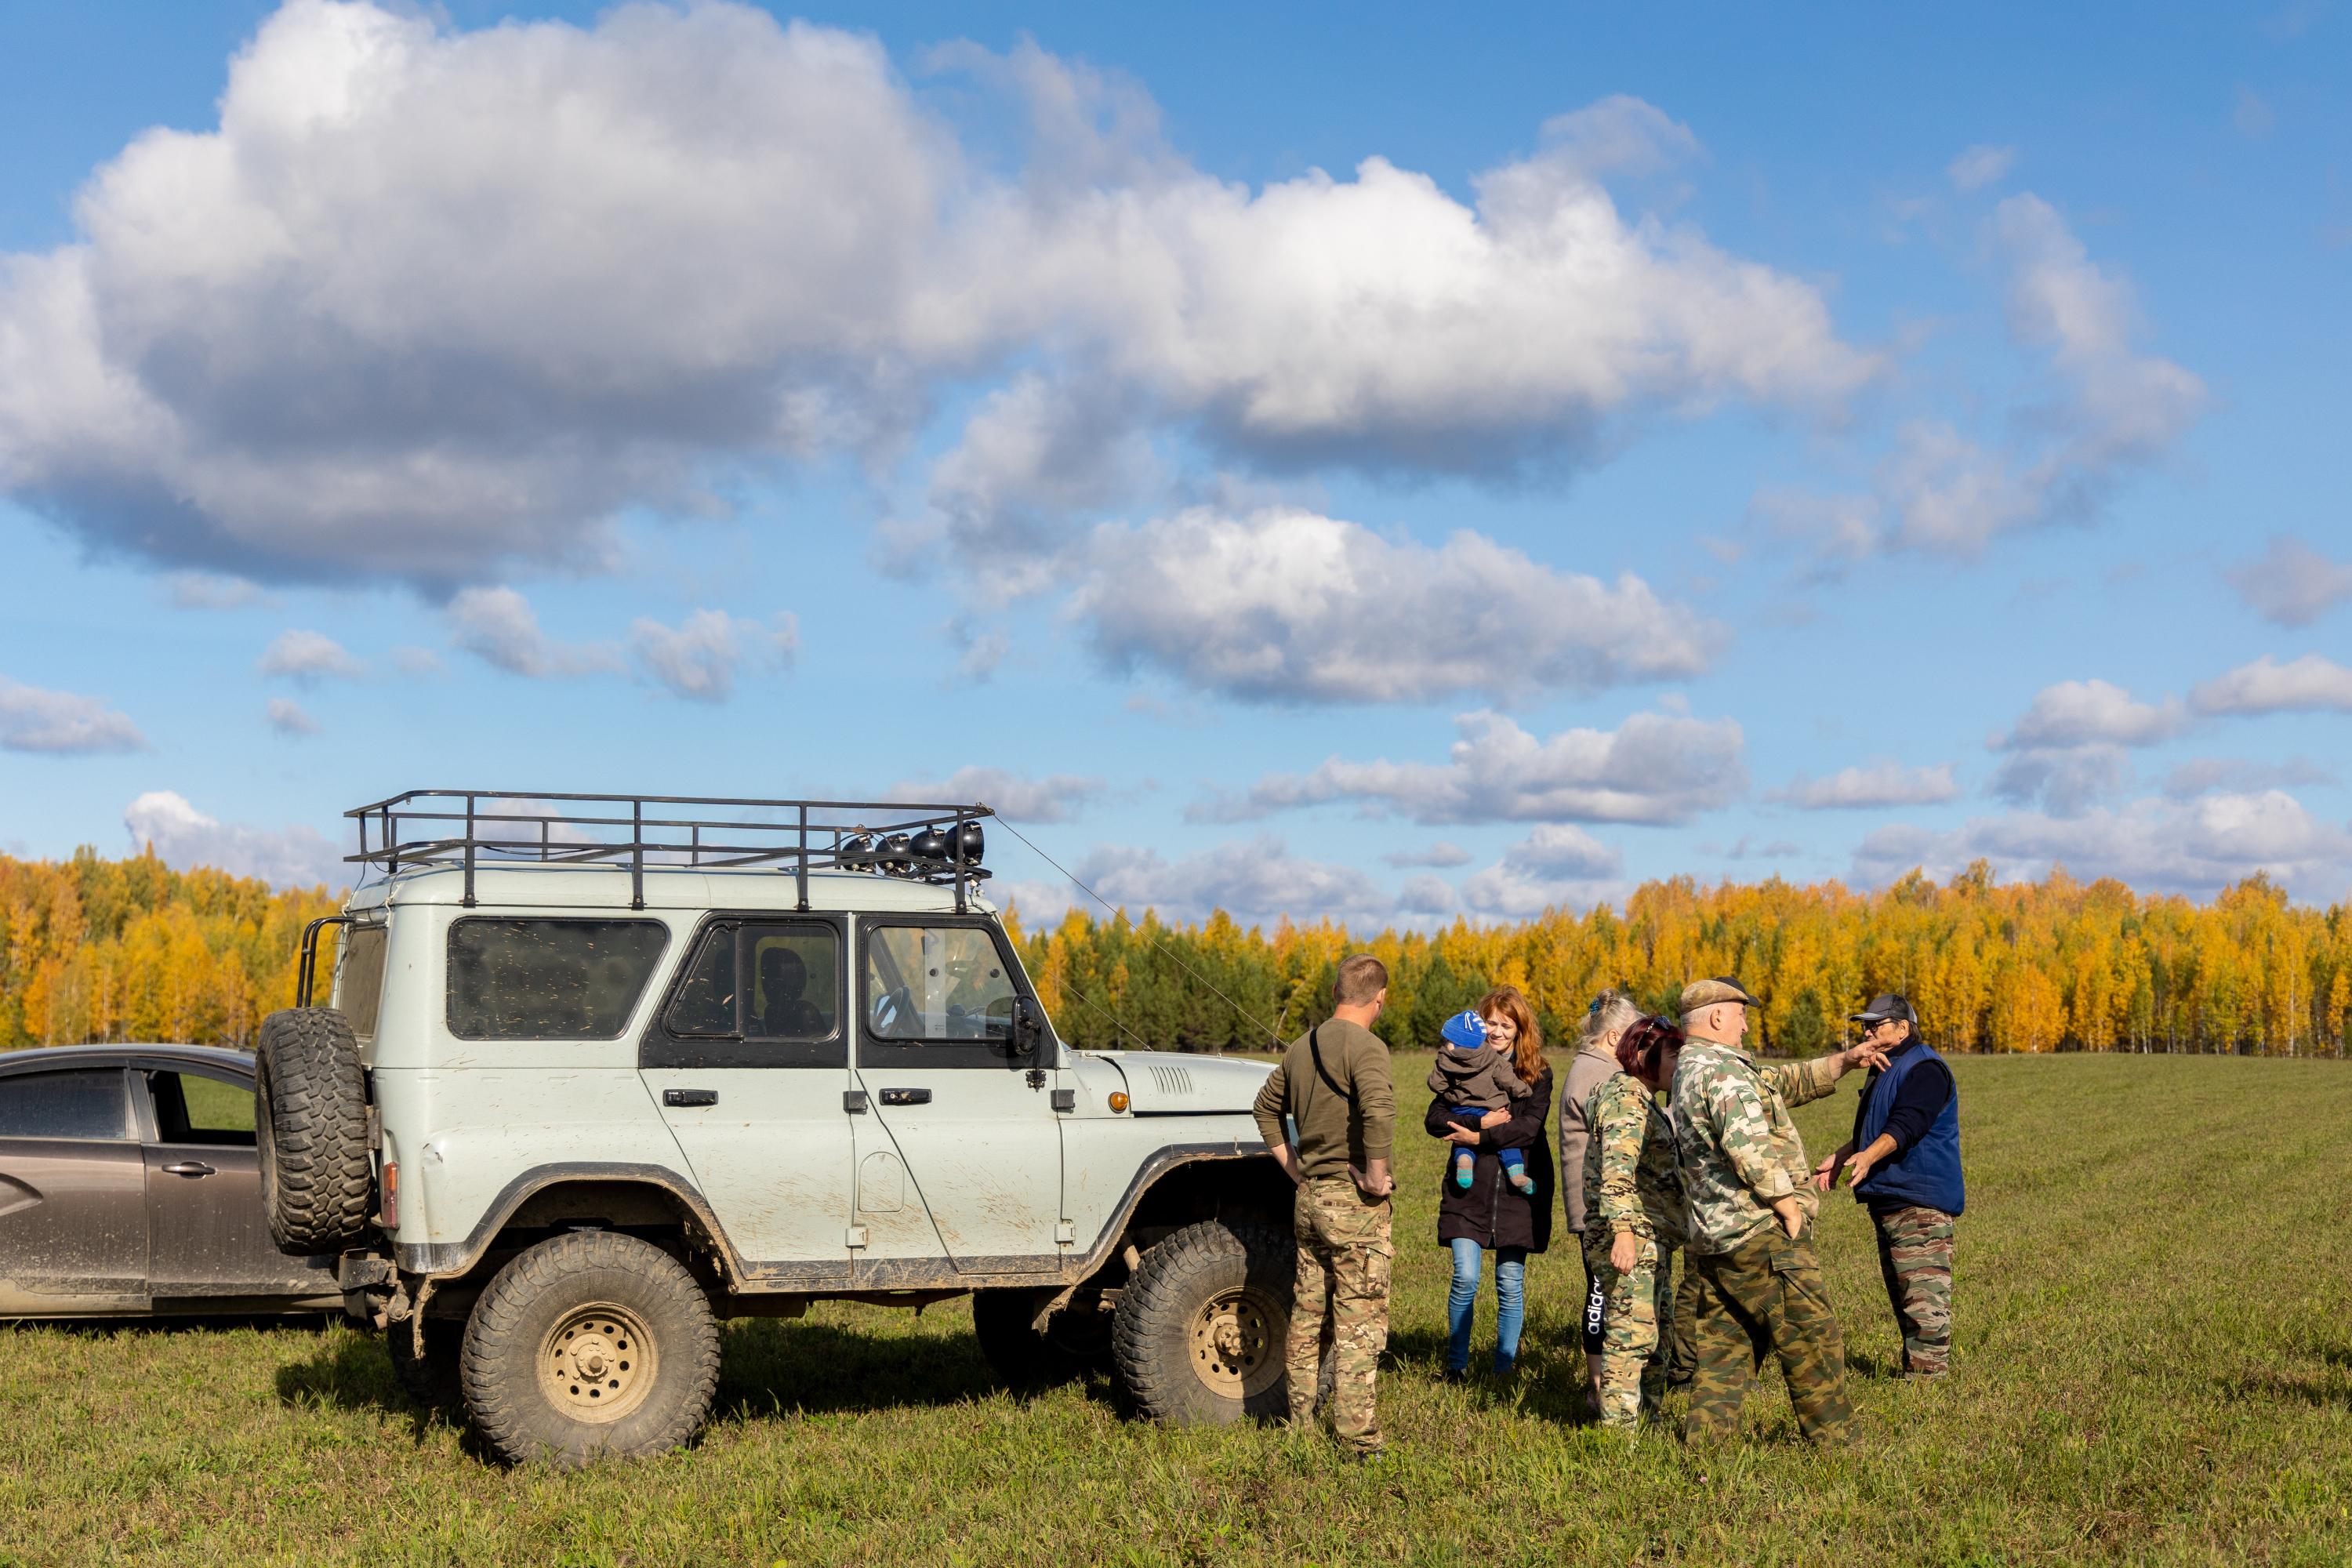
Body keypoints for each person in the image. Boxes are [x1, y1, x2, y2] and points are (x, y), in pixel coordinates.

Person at [1671, 976, 1886, 1446]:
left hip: (1716, 1236)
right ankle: (1836, 1446)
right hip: (1758, 1231)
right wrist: (1788, 1207)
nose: (1746, 1025)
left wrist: (1845, 1061)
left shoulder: (1694, 1068)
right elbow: (1747, 1147)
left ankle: (1705, 1444)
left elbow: (1778, 1084)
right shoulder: (1723, 1074)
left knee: (1726, 1345)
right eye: (1742, 1014)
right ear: (1717, 1017)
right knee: (1812, 1337)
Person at [1250, 953, 1397, 1458]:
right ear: (1379, 998)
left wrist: (1296, 1169)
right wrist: (1377, 1177)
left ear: (1336, 994)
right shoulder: (1369, 1047)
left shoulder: (1300, 1046)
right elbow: (1378, 1111)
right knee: (1359, 1317)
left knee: (1309, 1314)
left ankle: (1300, 1423)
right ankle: (1358, 1437)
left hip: (1310, 1198)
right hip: (1353, 1202)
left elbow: (1264, 1109)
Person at [1814, 993, 1964, 1381]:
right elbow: (1876, 1125)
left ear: (1902, 1028)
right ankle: (1916, 1375)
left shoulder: (1926, 1068)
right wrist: (1842, 1154)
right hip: (1891, 1197)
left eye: (1875, 1025)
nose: (1866, 1032)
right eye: (1864, 1026)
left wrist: (1868, 1157)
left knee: (1924, 1299)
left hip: (1919, 1198)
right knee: (1905, 1294)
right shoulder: (1886, 1066)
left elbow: (1907, 1124)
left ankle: (1928, 1386)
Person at [1424, 985, 1554, 1381]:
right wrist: (1478, 1122)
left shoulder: (1538, 1073)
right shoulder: (1457, 1063)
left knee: (1510, 1281)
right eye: (1491, 1023)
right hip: (1470, 1190)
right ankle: (1455, 1368)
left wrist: (1477, 1139)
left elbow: (1529, 1129)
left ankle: (1503, 1370)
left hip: (1520, 1191)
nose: (1497, 1031)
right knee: (1465, 1275)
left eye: (1506, 1024)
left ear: (1520, 1030)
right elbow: (1433, 1120)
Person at [1581, 1014, 1686, 1432]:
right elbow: (1616, 1171)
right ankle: (1617, 1438)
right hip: (1630, 1236)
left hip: (1650, 1236)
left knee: (1656, 1334)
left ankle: (1650, 1422)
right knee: (1631, 1336)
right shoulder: (1626, 1096)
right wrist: (1623, 1232)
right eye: (1674, 1055)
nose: (1681, 1066)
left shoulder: (1645, 1098)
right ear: (1643, 1054)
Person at [1558, 989, 1639, 1416]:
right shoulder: (1597, 1074)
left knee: (1601, 1291)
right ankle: (1598, 1385)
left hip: (1593, 1202)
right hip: (1598, 1206)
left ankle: (1604, 1383)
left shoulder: (1592, 1066)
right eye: (1631, 1036)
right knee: (1601, 1293)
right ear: (1612, 1038)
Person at [1427, 1009, 1534, 1193]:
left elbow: (1436, 1085)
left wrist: (1442, 1063)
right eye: (1491, 1024)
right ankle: (1516, 1173)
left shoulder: (1447, 1061)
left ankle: (1464, 1160)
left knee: (1464, 1143)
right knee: (1508, 1146)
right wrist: (1524, 1090)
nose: (1497, 1032)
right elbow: (1508, 1081)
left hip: (1461, 1111)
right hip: (1494, 1111)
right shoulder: (1492, 1058)